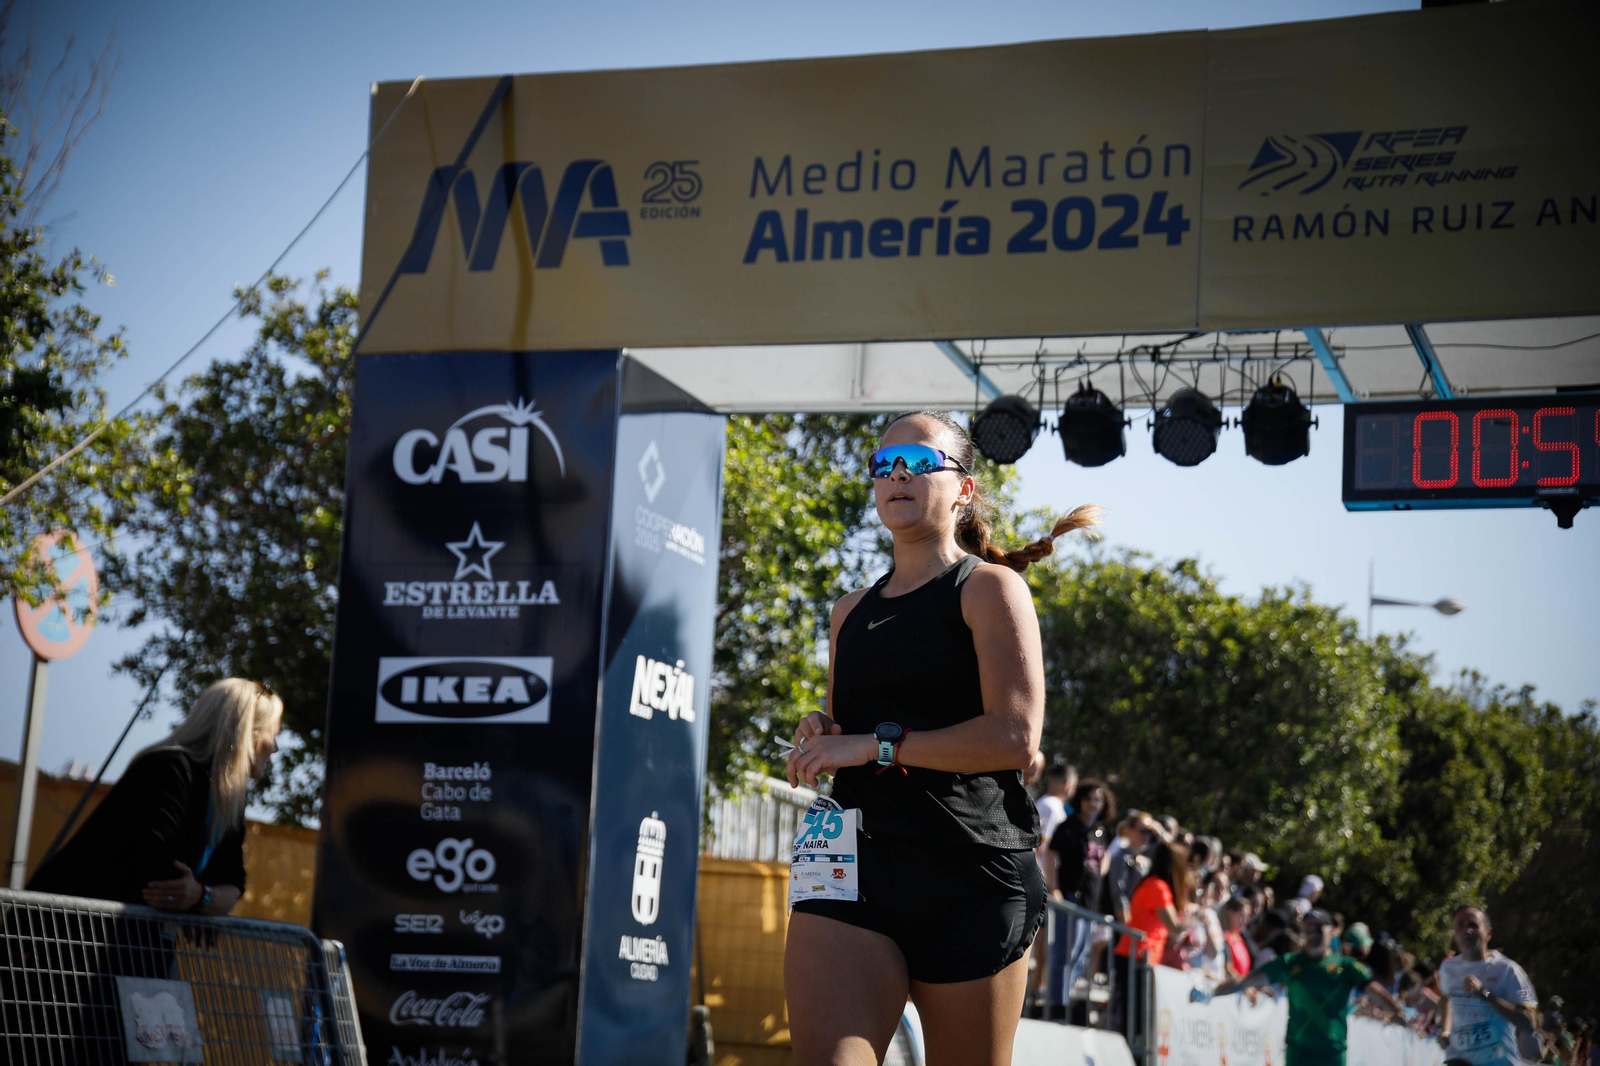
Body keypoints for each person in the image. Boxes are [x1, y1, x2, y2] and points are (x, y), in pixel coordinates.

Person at [783, 409, 1103, 1066]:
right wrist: (822, 734)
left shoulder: (990, 589)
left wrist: (875, 745)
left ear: (963, 488)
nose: (898, 475)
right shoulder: (849, 611)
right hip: (853, 866)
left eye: (921, 462)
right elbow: (846, 726)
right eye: (884, 465)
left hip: (972, 876)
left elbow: (1015, 739)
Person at [29, 677, 282, 912]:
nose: (276, 748)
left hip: (133, 942)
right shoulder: (167, 768)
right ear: (248, 733)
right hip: (67, 938)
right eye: (274, 734)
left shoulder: (228, 797)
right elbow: (161, 875)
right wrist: (202, 900)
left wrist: (200, 896)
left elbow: (231, 886)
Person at [1209, 910, 1404, 1066]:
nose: (1313, 935)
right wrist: (1212, 992)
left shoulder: (1346, 967)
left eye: (1319, 929)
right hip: (1298, 1055)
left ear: (1332, 931)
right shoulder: (1289, 963)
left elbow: (1375, 990)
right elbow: (1245, 981)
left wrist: (1396, 1012)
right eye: (1308, 930)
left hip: (1332, 1056)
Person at [1044, 778, 1115, 1016]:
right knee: (1064, 953)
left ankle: (1068, 1001)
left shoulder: (1099, 832)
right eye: (1090, 799)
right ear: (1080, 801)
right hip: (1070, 897)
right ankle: (1057, 1004)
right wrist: (1053, 887)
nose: (1094, 804)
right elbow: (1051, 854)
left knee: (1080, 954)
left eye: (1099, 800)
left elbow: (1103, 859)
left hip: (1089, 903)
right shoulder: (1069, 826)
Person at [1437, 906, 1538, 1066]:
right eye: (1460, 925)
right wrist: (1445, 1029)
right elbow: (1445, 998)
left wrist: (1485, 994)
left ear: (1488, 934)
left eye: (1473, 925)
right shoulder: (1448, 968)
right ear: (1455, 933)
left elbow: (1530, 1024)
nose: (1467, 930)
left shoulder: (1507, 970)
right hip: (1459, 1059)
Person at [1111, 840, 1194, 1030]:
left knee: (1137, 1017)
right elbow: (1175, 927)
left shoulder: (1154, 884)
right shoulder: (1157, 887)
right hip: (1136, 956)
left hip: (1141, 957)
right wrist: (1195, 916)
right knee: (1134, 1019)